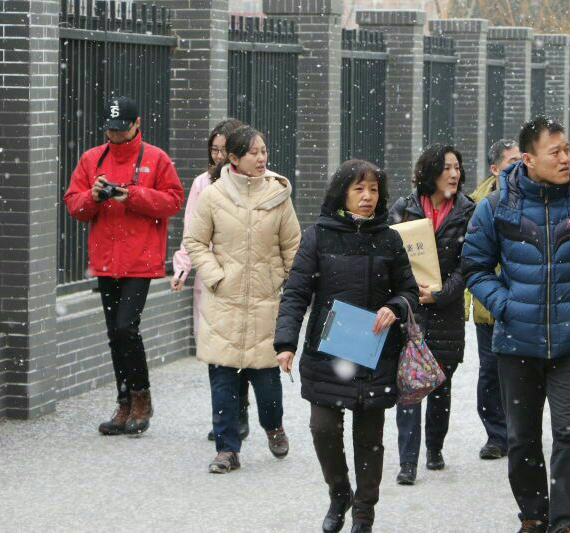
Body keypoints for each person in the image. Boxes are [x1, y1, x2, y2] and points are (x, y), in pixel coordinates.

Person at [462, 116, 570, 533]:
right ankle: (533, 516)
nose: (566, 158)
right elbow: (475, 266)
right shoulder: (496, 207)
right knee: (522, 438)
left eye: (567, 149)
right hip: (516, 343)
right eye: (555, 152)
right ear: (529, 159)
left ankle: (567, 523)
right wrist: (505, 305)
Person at [274, 160, 418, 533]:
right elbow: (296, 293)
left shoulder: (389, 238)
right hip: (328, 353)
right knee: (323, 430)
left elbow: (409, 291)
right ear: (342, 193)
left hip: (375, 355)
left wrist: (395, 307)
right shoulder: (318, 236)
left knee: (369, 440)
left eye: (373, 189)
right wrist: (286, 342)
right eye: (359, 189)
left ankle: (364, 514)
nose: (368, 196)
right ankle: (340, 494)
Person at [63, 96, 184, 436]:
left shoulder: (156, 158)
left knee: (126, 328)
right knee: (114, 333)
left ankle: (141, 398)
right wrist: (94, 196)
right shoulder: (92, 159)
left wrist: (130, 195)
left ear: (136, 124)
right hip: (105, 260)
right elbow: (73, 204)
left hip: (140, 260)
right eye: (110, 129)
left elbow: (173, 201)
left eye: (120, 129)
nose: (114, 135)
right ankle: (124, 402)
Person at [183, 125, 301, 473]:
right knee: (223, 380)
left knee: (267, 381)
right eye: (253, 152)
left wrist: (287, 281)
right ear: (233, 158)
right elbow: (195, 241)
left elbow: (293, 246)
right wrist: (215, 276)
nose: (261, 158)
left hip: (266, 302)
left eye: (264, 151)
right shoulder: (213, 195)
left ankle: (273, 426)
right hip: (223, 302)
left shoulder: (278, 196)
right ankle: (227, 449)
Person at [389, 144, 475, 485]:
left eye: (457, 167)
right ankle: (407, 462)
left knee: (440, 383)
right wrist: (410, 292)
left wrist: (440, 294)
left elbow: (470, 264)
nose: (454, 174)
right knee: (409, 384)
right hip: (411, 311)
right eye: (446, 168)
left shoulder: (468, 211)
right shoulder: (404, 208)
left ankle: (434, 447)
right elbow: (389, 254)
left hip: (446, 312)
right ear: (430, 172)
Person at [169, 118, 253, 442]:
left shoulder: (254, 183)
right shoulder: (202, 184)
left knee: (239, 348)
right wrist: (182, 269)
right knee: (215, 350)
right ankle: (223, 416)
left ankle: (239, 407)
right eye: (214, 150)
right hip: (211, 280)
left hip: (242, 278)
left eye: (224, 150)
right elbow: (192, 233)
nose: (218, 156)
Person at [464, 139, 521, 460]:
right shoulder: (477, 203)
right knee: (490, 369)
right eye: (511, 161)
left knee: (522, 369)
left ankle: (520, 431)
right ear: (495, 168)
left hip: (525, 301)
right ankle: (497, 435)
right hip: (489, 303)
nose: (518, 166)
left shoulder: (534, 197)